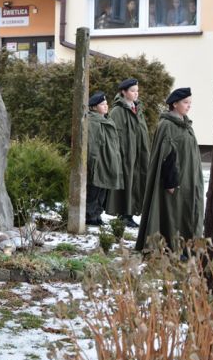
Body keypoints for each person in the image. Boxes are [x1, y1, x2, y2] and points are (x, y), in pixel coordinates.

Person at [136, 88, 204, 251]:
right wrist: (171, 182)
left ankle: (188, 247)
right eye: (185, 103)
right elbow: (167, 157)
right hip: (175, 181)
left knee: (187, 212)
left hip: (189, 179)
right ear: (175, 104)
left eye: (190, 103)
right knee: (173, 214)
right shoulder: (167, 125)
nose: (189, 106)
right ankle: (173, 248)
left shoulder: (186, 125)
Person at [105, 78, 150, 228]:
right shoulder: (117, 111)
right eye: (132, 91)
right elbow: (113, 136)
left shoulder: (138, 111)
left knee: (136, 183)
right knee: (126, 184)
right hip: (125, 156)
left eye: (137, 91)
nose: (136, 94)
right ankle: (124, 214)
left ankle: (130, 213)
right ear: (123, 92)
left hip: (138, 155)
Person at [86, 91, 124, 226]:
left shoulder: (107, 120)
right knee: (94, 190)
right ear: (94, 107)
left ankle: (97, 215)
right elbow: (92, 143)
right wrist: (92, 162)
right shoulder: (92, 122)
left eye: (106, 104)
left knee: (103, 190)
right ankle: (90, 216)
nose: (106, 106)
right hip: (98, 161)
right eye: (102, 104)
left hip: (108, 161)